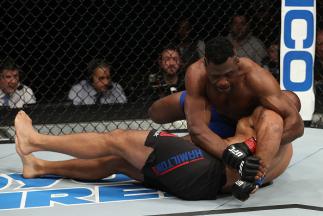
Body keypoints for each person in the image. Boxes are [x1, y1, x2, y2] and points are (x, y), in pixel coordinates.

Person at [15, 97, 293, 201]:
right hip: (200, 182)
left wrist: (248, 177)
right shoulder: (283, 149)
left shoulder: (269, 117)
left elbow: (264, 141)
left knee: (119, 138)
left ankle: (36, 141)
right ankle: (40, 166)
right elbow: (258, 164)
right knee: (119, 161)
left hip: (201, 169)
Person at [148, 37, 304, 193]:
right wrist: (233, 156)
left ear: (236, 60)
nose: (223, 82)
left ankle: (195, 102)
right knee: (156, 112)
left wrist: (252, 144)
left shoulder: (255, 76)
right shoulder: (197, 73)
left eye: (228, 74)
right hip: (211, 111)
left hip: (242, 123)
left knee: (291, 100)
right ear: (206, 63)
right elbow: (197, 131)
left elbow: (297, 125)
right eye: (215, 76)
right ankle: (194, 101)